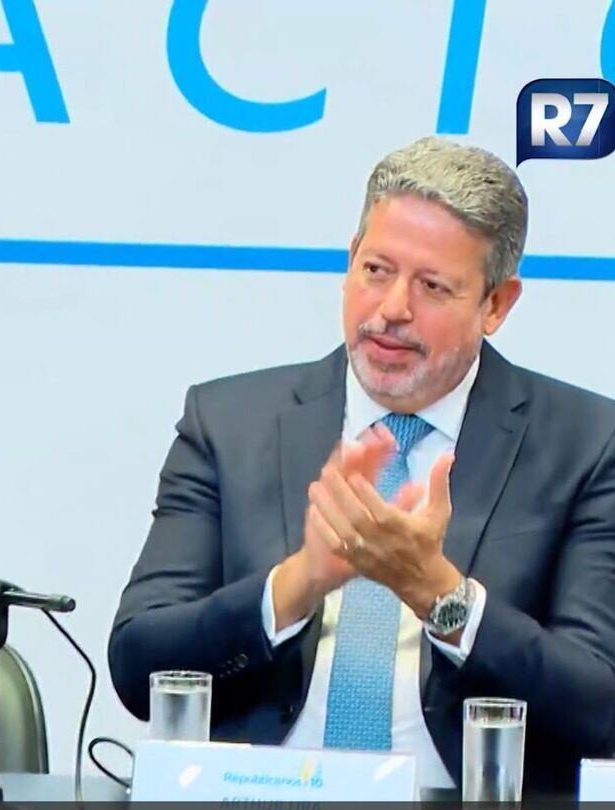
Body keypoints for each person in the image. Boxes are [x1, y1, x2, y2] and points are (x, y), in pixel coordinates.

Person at [108, 137, 615, 792]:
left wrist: (440, 596)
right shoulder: (229, 422)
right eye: (376, 270)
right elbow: (138, 666)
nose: (392, 309)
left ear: (496, 304)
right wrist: (298, 584)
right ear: (350, 261)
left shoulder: (585, 443)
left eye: (433, 286)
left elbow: (599, 706)